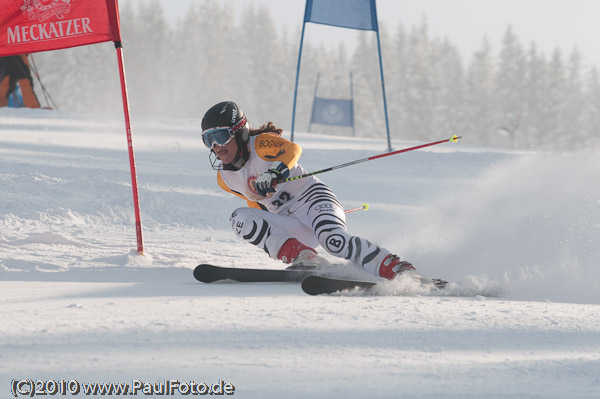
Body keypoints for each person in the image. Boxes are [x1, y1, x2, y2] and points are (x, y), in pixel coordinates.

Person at [201, 101, 415, 280]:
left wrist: (276, 172)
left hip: (315, 201)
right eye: (208, 140)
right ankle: (305, 257)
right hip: (292, 223)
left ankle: (398, 269)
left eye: (221, 136)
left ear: (240, 132)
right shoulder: (225, 178)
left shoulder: (260, 145)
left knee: (334, 241)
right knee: (239, 217)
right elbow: (253, 205)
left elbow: (293, 149)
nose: (216, 145)